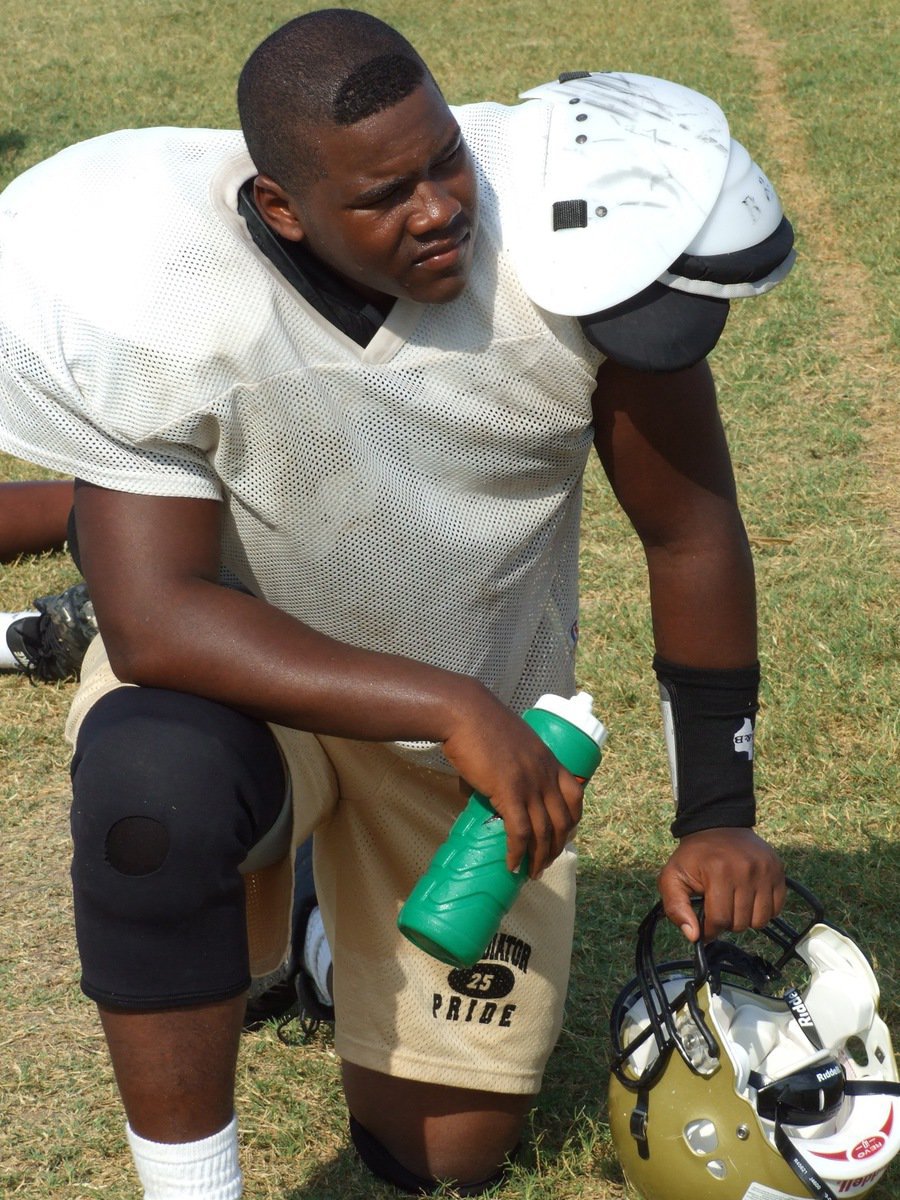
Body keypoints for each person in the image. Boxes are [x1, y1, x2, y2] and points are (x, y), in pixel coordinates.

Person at [0, 9, 792, 1197]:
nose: (440, 209)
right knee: (150, 799)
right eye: (386, 196)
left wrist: (719, 814)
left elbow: (689, 530)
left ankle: (313, 937)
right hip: (256, 690)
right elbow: (157, 618)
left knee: (442, 1157)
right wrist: (454, 705)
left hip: (459, 749)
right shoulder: (145, 277)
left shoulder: (564, 250)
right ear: (282, 208)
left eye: (446, 160)